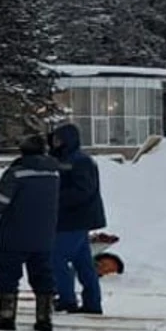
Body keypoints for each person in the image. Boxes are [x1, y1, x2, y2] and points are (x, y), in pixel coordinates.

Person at [0, 133, 61, 331]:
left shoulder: (16, 173)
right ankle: (44, 319)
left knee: (8, 275)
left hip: (14, 233)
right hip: (44, 234)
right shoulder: (53, 173)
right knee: (43, 274)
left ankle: (6, 318)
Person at [49, 122, 106, 315]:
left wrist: (55, 196)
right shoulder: (64, 159)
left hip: (74, 219)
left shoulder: (80, 161)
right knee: (83, 262)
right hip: (75, 219)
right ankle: (92, 303)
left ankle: (67, 300)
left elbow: (83, 190)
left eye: (58, 139)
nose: (54, 143)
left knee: (56, 258)